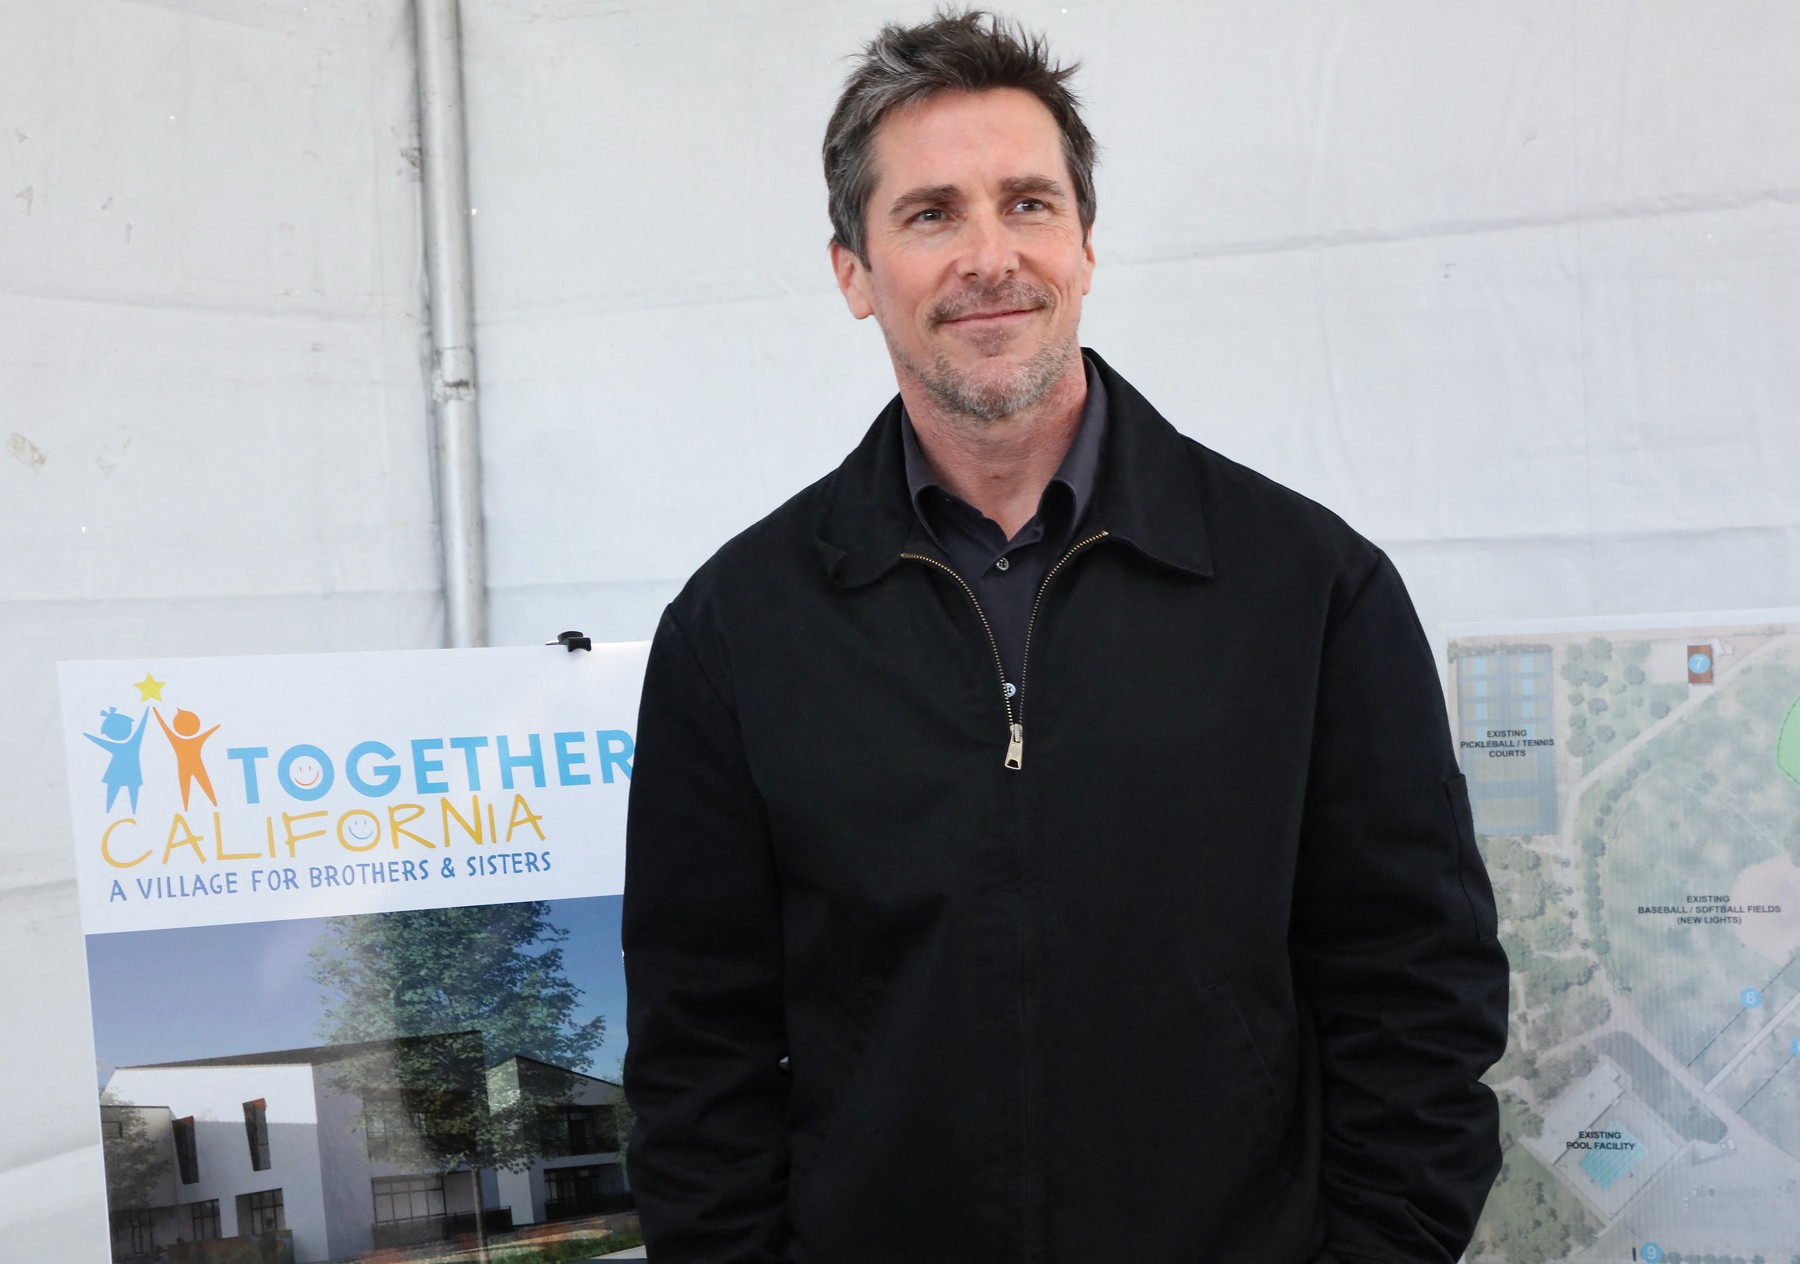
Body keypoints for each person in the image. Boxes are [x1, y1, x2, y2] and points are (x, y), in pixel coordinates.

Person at [622, 11, 1508, 1263]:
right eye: (931, 214)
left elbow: (1417, 991)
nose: (992, 257)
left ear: (1086, 245)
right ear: (852, 271)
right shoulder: (736, 628)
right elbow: (695, 1050)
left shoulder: (1310, 588)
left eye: (1028, 204)